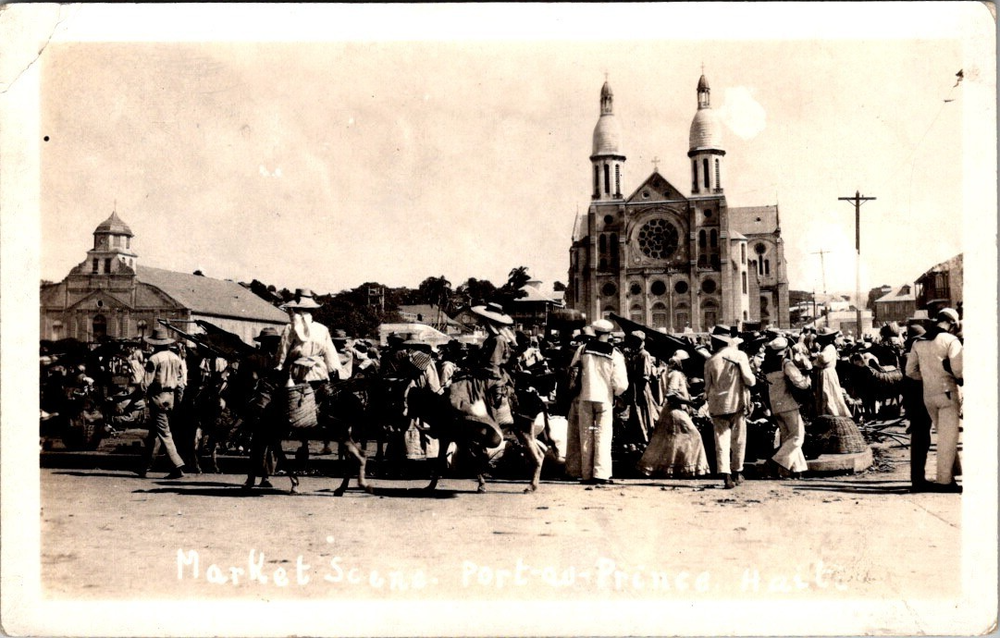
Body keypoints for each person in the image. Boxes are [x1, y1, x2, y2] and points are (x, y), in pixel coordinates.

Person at [274, 289, 343, 463]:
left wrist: (279, 365)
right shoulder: (322, 328)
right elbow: (330, 353)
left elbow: (283, 350)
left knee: (289, 400)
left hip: (298, 373)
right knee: (321, 401)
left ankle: (296, 432)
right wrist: (334, 370)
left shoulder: (290, 327)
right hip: (319, 371)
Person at [905, 308, 964, 493]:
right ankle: (945, 481)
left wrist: (928, 378)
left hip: (928, 395)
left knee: (943, 435)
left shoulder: (919, 342)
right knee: (947, 439)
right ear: (952, 324)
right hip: (947, 393)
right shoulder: (951, 341)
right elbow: (959, 371)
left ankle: (950, 475)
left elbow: (910, 371)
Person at [567, 318, 628, 485]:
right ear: (608, 335)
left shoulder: (582, 350)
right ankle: (600, 473)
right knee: (603, 434)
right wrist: (616, 393)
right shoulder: (615, 354)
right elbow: (620, 383)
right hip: (604, 398)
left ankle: (586, 474)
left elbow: (573, 371)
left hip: (585, 396)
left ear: (595, 333)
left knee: (585, 434)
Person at [703, 325, 756, 489]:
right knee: (739, 440)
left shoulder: (710, 361)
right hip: (737, 403)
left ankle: (725, 474)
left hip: (717, 404)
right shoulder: (739, 356)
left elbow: (707, 388)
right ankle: (737, 471)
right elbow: (750, 381)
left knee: (721, 440)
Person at [137, 326, 187, 479]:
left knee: (164, 433)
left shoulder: (154, 359)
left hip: (157, 397)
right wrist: (178, 400)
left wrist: (137, 397)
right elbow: (180, 382)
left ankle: (177, 465)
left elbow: (145, 383)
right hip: (170, 397)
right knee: (154, 434)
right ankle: (145, 467)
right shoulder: (176, 358)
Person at [763, 336, 811, 479]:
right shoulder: (786, 363)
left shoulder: (767, 365)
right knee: (797, 436)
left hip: (775, 405)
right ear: (784, 350)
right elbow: (799, 382)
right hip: (788, 403)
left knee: (787, 438)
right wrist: (806, 381)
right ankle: (774, 462)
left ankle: (794, 469)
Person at [901, 321, 933, 492]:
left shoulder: (908, 353)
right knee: (921, 440)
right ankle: (918, 479)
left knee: (921, 439)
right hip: (918, 402)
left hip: (914, 402)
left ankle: (918, 478)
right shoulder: (910, 356)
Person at [622, 331, 659, 446]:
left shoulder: (644, 354)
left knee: (643, 408)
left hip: (640, 387)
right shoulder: (634, 354)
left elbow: (645, 375)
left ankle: (645, 434)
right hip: (633, 386)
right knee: (635, 409)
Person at [813, 327, 852, 418]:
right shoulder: (825, 348)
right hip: (823, 372)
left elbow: (824, 359)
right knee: (824, 393)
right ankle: (825, 413)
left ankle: (834, 413)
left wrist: (817, 354)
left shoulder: (830, 348)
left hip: (827, 373)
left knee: (828, 392)